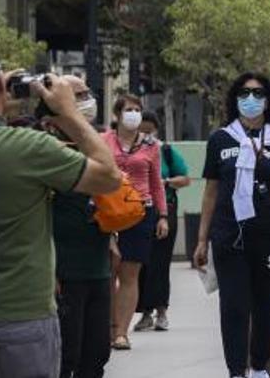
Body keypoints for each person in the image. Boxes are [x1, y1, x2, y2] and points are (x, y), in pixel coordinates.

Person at [0, 43, 122, 377]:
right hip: (21, 322)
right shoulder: (31, 148)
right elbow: (109, 177)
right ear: (0, 83)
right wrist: (69, 114)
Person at [194, 73, 270, 378]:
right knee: (235, 307)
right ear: (235, 98)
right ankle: (237, 371)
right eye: (244, 92)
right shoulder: (221, 139)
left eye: (258, 92)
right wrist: (201, 239)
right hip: (229, 236)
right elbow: (211, 191)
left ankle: (260, 367)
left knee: (267, 306)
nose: (250, 99)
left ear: (268, 99)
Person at [47, 76, 113, 378]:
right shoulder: (42, 147)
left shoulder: (98, 143)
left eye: (88, 92)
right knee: (65, 356)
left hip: (98, 268)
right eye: (78, 95)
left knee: (96, 355)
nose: (87, 99)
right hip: (63, 272)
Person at [104, 94, 167, 351]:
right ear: (117, 114)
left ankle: (121, 332)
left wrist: (163, 216)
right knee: (108, 272)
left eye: (138, 110)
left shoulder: (152, 146)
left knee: (130, 274)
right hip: (107, 211)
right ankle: (106, 327)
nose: (134, 114)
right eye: (129, 109)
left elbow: (157, 184)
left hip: (141, 213)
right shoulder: (102, 140)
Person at [134, 112, 191, 333]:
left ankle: (161, 311)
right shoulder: (133, 151)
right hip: (138, 210)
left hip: (164, 210)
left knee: (160, 263)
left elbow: (185, 178)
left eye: (150, 130)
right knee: (140, 263)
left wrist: (165, 181)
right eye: (142, 130)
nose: (146, 134)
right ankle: (145, 313)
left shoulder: (165, 151)